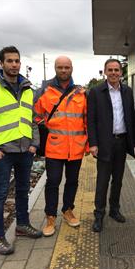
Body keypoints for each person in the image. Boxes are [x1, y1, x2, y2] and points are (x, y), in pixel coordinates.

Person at [0, 46, 42, 255]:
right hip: (2, 152)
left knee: (23, 190)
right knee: (0, 193)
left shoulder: (28, 88)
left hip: (25, 150)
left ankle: (22, 224)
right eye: (9, 61)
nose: (14, 64)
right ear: (1, 64)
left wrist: (34, 144)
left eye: (16, 61)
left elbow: (32, 120)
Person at [34, 56, 88, 237]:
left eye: (66, 67)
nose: (63, 70)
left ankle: (67, 210)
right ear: (55, 69)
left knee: (72, 181)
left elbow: (86, 120)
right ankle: (50, 216)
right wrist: (45, 125)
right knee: (53, 182)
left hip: (76, 148)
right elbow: (35, 115)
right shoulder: (46, 93)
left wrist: (87, 144)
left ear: (71, 68)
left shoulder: (81, 93)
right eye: (60, 67)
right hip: (55, 147)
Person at [87, 58, 135, 232]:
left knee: (118, 180)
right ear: (105, 71)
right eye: (111, 70)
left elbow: (131, 116)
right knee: (102, 181)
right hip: (104, 144)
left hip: (121, 142)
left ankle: (114, 209)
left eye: (117, 70)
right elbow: (90, 120)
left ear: (121, 73)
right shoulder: (95, 92)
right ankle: (99, 214)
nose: (114, 73)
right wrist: (93, 144)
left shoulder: (128, 92)